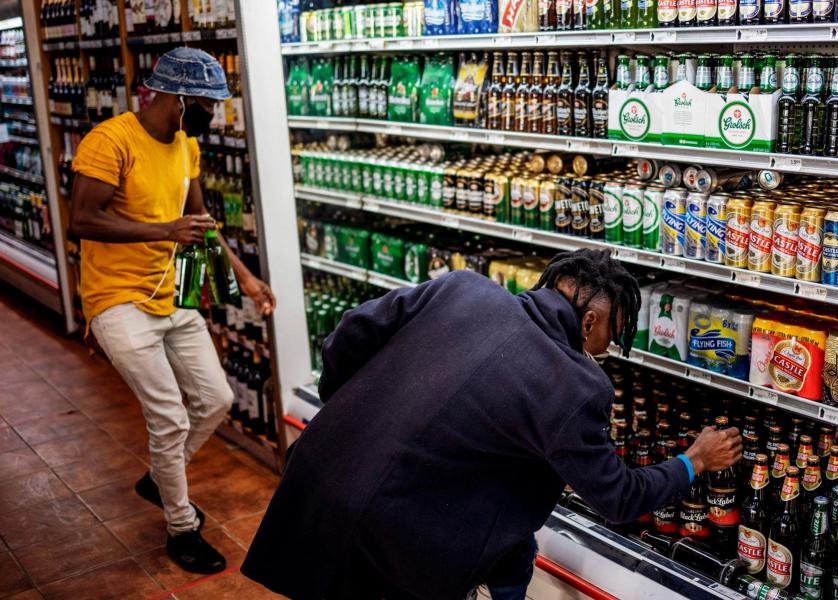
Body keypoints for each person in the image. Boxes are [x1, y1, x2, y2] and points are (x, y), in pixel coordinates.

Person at [242, 249, 741, 599]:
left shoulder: (463, 287)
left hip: (320, 474)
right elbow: (618, 497)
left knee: (513, 547)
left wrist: (351, 408)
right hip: (396, 533)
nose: (609, 347)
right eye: (613, 331)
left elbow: (349, 332)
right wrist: (694, 459)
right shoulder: (573, 385)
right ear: (588, 321)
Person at [69, 48, 275, 574]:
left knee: (216, 397)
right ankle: (181, 527)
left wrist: (245, 278)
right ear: (177, 98)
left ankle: (161, 478)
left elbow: (199, 221)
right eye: (207, 103)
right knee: (169, 416)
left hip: (171, 292)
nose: (214, 114)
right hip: (116, 299)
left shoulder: (186, 146)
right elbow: (82, 220)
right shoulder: (110, 140)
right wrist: (164, 231)